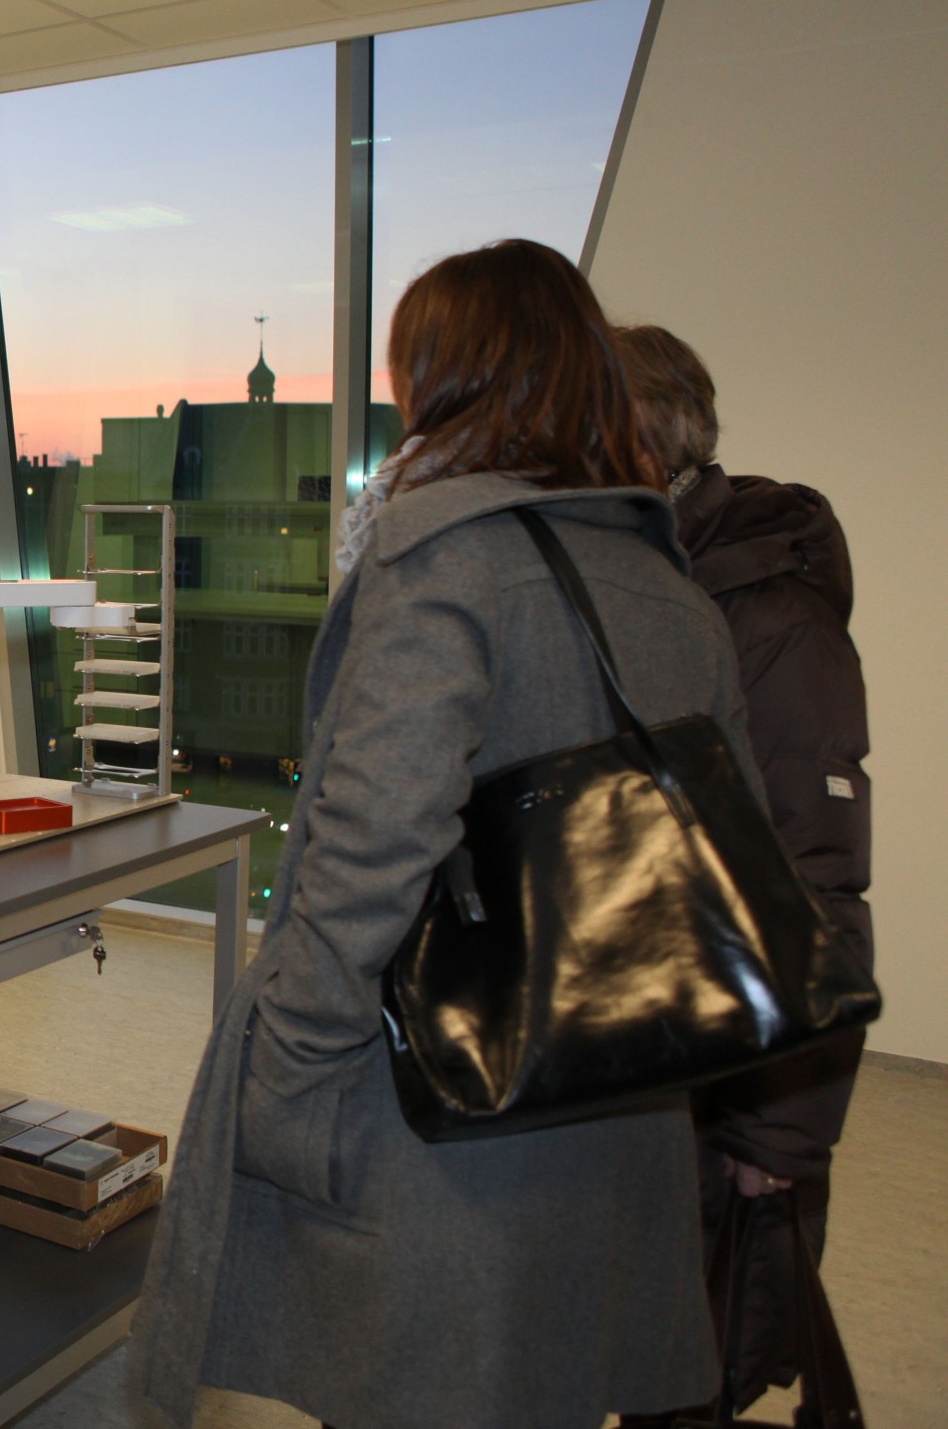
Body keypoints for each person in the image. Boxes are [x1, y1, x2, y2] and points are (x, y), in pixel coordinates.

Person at [136, 240, 743, 1429]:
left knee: (422, 1377)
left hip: (440, 1113)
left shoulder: (446, 562)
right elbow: (730, 849)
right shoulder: (668, 585)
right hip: (616, 1094)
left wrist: (286, 1079)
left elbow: (368, 847)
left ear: (443, 375)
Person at [614, 324, 872, 1424]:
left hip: (730, 1099)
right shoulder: (641, 592)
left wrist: (779, 1140)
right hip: (641, 1072)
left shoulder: (769, 620)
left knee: (690, 1375)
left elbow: (820, 882)